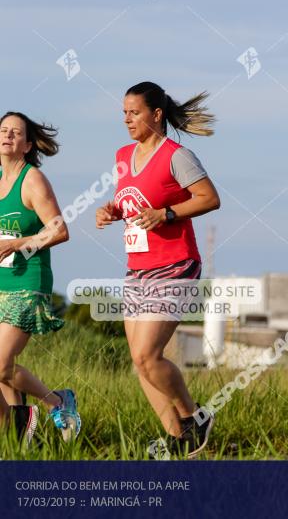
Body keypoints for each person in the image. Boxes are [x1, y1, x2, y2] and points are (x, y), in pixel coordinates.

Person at [96, 82, 221, 458]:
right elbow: (131, 202)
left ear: (156, 115)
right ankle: (178, 439)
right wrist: (112, 211)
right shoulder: (123, 155)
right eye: (124, 113)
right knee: (141, 363)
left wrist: (167, 213)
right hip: (137, 268)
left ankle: (194, 417)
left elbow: (209, 198)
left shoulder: (176, 156)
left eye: (134, 112)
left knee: (148, 356)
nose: (127, 119)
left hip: (175, 264)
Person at [0, 111, 79, 446]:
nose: (7, 137)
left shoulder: (32, 180)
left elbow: (59, 231)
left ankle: (58, 403)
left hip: (28, 283)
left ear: (28, 144)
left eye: (16, 133)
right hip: (2, 283)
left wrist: (18, 243)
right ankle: (18, 437)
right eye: (3, 130)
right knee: (3, 371)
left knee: (0, 364)